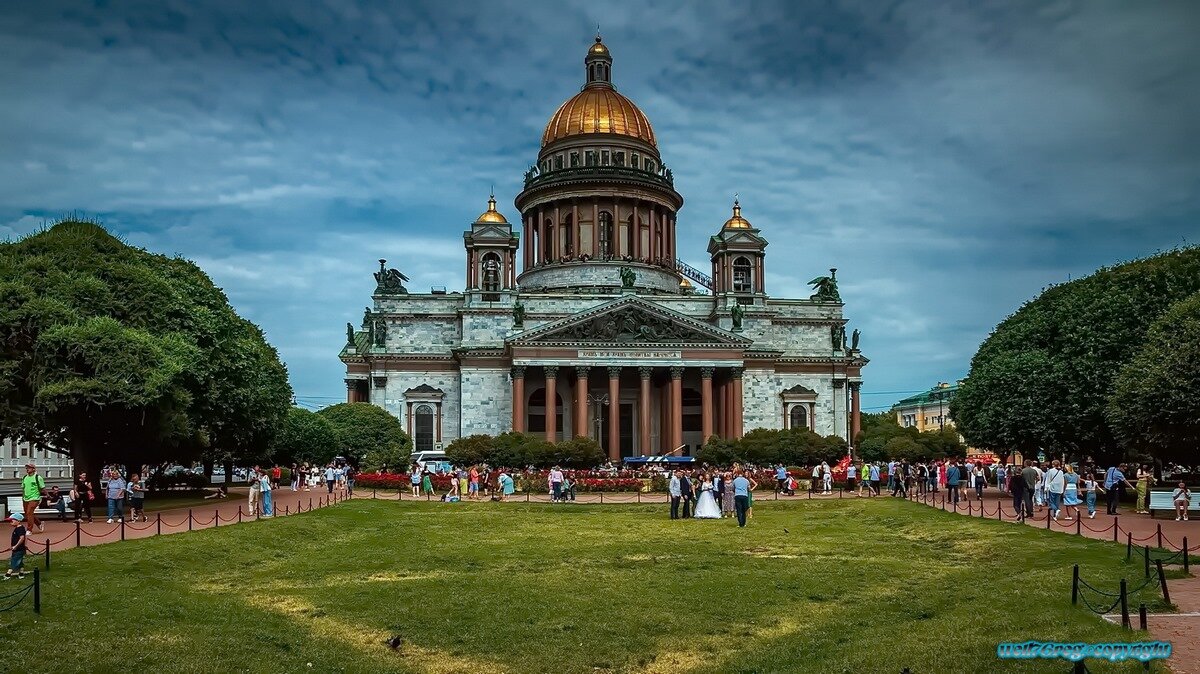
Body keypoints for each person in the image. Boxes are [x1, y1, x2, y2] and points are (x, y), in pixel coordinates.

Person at [20, 463, 46, 534]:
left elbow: (43, 488)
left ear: (33, 469)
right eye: (26, 468)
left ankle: (29, 530)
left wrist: (48, 495)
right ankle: (39, 524)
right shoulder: (24, 477)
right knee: (28, 513)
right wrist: (23, 497)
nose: (27, 469)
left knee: (29, 512)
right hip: (25, 498)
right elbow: (23, 488)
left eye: (29, 468)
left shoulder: (38, 477)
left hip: (35, 498)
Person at [5, 513, 28, 581]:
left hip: (19, 549)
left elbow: (22, 538)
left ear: (18, 521)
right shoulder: (18, 529)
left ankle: (8, 574)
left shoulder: (20, 529)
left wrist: (16, 546)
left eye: (12, 521)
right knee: (19, 561)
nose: (10, 522)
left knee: (14, 561)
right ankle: (21, 573)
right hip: (17, 549)